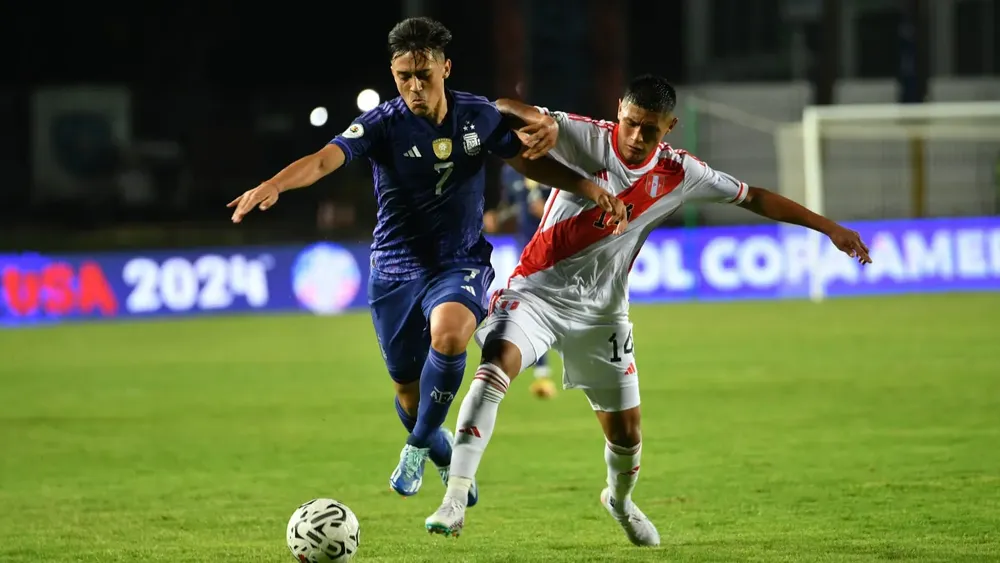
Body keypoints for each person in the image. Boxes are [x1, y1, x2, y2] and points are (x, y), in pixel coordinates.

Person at [425, 74, 872, 544]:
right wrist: (537, 120)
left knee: (627, 434)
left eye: (650, 130)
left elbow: (753, 196)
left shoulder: (682, 173)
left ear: (670, 127)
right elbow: (505, 105)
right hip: (535, 293)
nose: (637, 138)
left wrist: (829, 229)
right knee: (494, 369)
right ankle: (455, 499)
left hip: (604, 314)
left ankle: (618, 501)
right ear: (619, 111)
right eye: (631, 123)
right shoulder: (585, 136)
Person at [227, 18, 627, 504]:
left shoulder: (477, 116)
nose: (414, 86)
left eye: (424, 74)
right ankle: (434, 445)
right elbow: (322, 160)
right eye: (403, 77)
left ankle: (417, 446)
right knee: (408, 393)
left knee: (452, 332)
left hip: (458, 260)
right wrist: (274, 184)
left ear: (446, 68)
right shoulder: (382, 124)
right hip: (395, 269)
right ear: (393, 75)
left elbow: (525, 160)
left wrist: (586, 186)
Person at [483, 165, 556, 398]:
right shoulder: (511, 170)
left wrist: (549, 210)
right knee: (531, 308)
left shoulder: (554, 160)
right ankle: (542, 374)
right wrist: (496, 215)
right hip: (527, 253)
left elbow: (579, 198)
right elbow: (511, 203)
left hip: (560, 250)